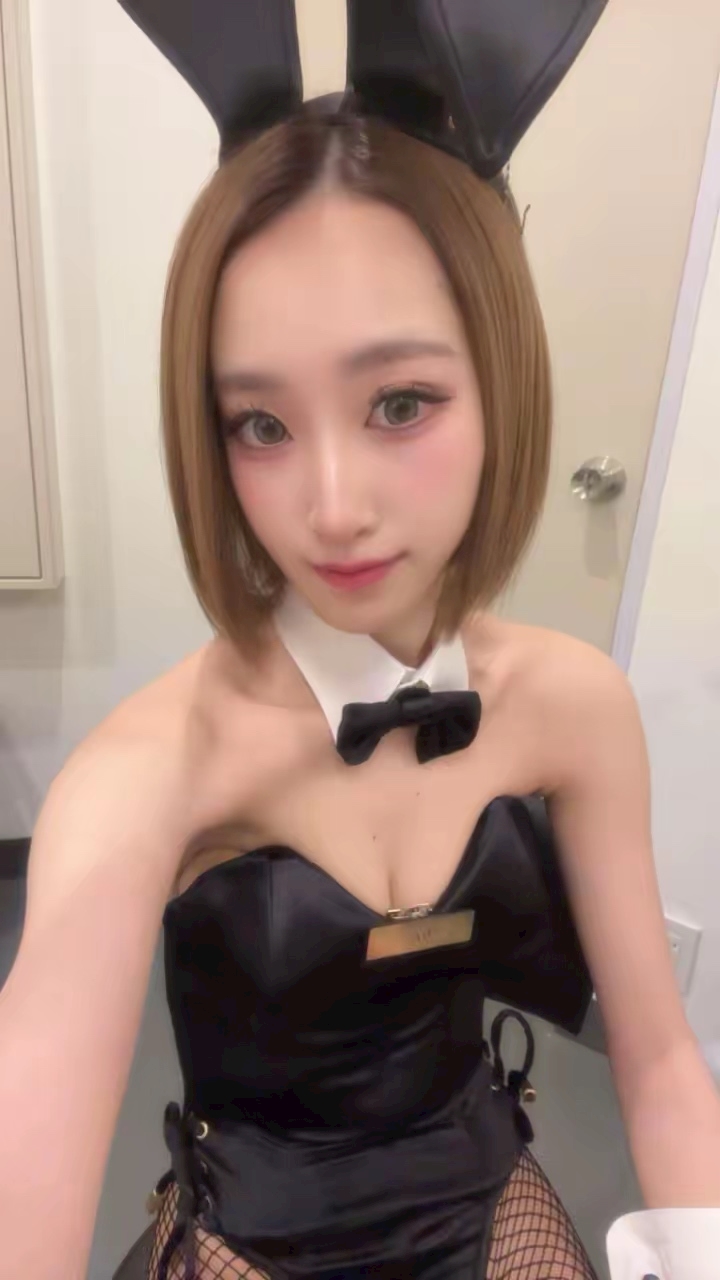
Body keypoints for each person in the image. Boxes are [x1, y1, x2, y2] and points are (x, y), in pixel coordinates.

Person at [2, 2, 720, 1278]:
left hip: (476, 1182)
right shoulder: (147, 771)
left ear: (502, 380)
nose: (331, 507)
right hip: (255, 1223)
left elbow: (662, 1058)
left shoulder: (573, 707)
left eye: (400, 402)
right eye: (260, 424)